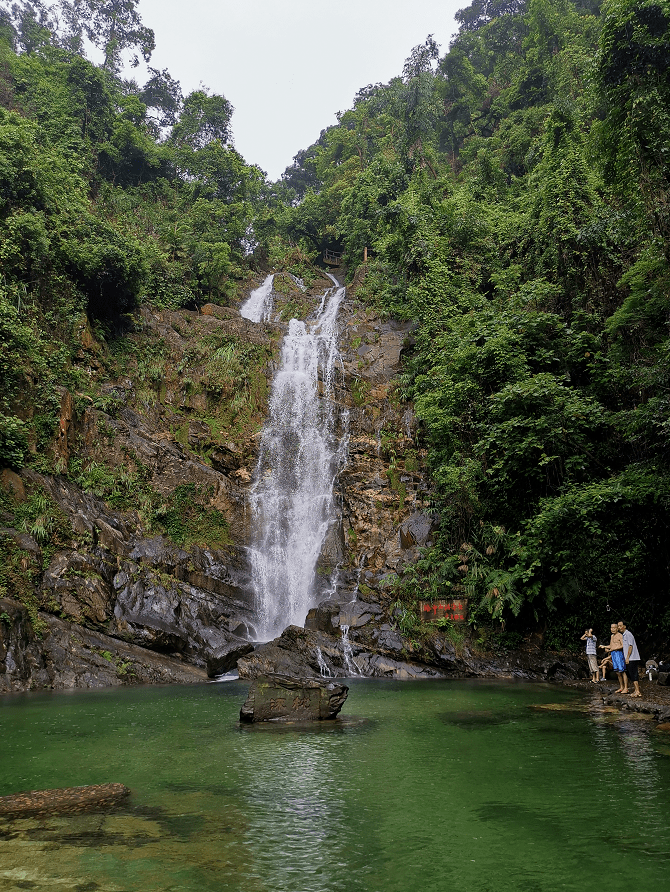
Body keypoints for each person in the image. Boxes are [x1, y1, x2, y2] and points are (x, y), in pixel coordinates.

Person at [599, 622, 626, 692]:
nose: (612, 629)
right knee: (617, 672)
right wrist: (604, 646)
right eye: (611, 628)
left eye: (614, 628)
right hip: (613, 654)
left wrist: (615, 648)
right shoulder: (612, 636)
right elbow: (611, 646)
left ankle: (625, 687)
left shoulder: (620, 635)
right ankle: (621, 687)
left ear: (617, 628)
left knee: (622, 671)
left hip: (619, 653)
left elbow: (623, 645)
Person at [617, 620, 642, 698]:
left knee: (633, 674)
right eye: (618, 626)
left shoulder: (628, 634)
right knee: (630, 674)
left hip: (632, 658)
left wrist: (627, 657)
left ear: (624, 626)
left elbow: (630, 646)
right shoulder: (624, 635)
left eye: (620, 626)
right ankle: (636, 690)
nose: (619, 627)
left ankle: (638, 691)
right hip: (629, 658)